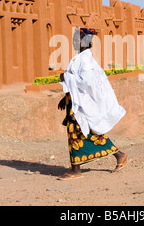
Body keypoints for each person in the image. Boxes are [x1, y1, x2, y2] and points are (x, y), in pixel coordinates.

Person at [57, 28, 130, 180]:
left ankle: (76, 170)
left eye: (76, 39)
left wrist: (66, 77)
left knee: (76, 133)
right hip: (75, 102)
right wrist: (66, 97)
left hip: (81, 104)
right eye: (73, 39)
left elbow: (88, 83)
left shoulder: (85, 60)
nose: (73, 42)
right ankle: (119, 155)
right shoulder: (80, 58)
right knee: (85, 133)